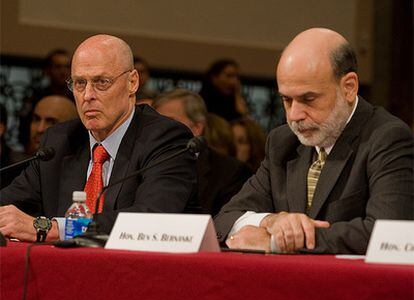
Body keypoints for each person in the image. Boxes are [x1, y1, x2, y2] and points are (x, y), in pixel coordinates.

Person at [214, 28, 413, 254]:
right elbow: (225, 220)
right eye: (287, 100)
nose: (294, 115)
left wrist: (282, 241)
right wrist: (270, 221)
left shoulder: (386, 137)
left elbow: (389, 234)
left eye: (308, 99)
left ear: (349, 87)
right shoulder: (283, 142)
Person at [0, 34, 197, 242]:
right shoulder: (60, 140)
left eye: (101, 82)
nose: (87, 95)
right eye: (79, 83)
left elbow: (152, 217)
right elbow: (8, 203)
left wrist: (53, 228)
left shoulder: (166, 139)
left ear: (132, 82)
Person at [153, 88, 252, 216]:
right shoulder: (145, 164)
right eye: (156, 123)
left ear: (196, 128)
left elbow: (228, 223)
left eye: (169, 121)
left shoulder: (231, 172)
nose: (159, 130)